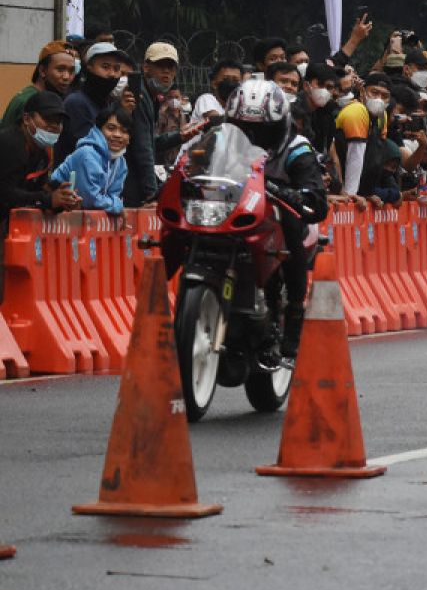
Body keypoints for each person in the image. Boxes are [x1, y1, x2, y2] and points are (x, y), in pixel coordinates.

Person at [225, 80, 328, 366]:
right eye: (244, 129)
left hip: (281, 220)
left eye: (262, 130)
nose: (252, 137)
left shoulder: (297, 148)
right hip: (232, 214)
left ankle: (294, 313)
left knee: (291, 222)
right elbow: (191, 161)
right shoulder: (221, 140)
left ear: (280, 124)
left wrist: (288, 192)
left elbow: (316, 201)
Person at [0, 92, 81, 302]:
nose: (54, 126)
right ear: (27, 119)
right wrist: (47, 199)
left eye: (59, 122)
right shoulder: (9, 143)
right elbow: (6, 193)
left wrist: (61, 199)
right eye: (48, 120)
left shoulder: (44, 153)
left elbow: (35, 191)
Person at [126, 42, 202, 206]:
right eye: (160, 65)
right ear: (146, 68)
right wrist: (151, 195)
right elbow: (143, 149)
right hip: (129, 182)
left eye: (171, 67)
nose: (166, 71)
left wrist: (179, 136)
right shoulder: (140, 96)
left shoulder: (152, 97)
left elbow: (149, 143)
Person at [56, 41, 132, 161]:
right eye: (105, 67)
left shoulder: (107, 103)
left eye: (116, 69)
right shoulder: (77, 103)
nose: (112, 74)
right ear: (89, 67)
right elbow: (92, 151)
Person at [51, 105, 130, 216]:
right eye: (111, 128)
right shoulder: (87, 154)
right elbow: (89, 199)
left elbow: (113, 196)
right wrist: (117, 206)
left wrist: (115, 205)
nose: (117, 135)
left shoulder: (121, 162)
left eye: (124, 131)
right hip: (56, 215)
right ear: (98, 130)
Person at [1, 40, 77, 130]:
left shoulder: (53, 97)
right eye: (60, 70)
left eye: (71, 71)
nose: (66, 77)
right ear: (42, 71)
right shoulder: (28, 101)